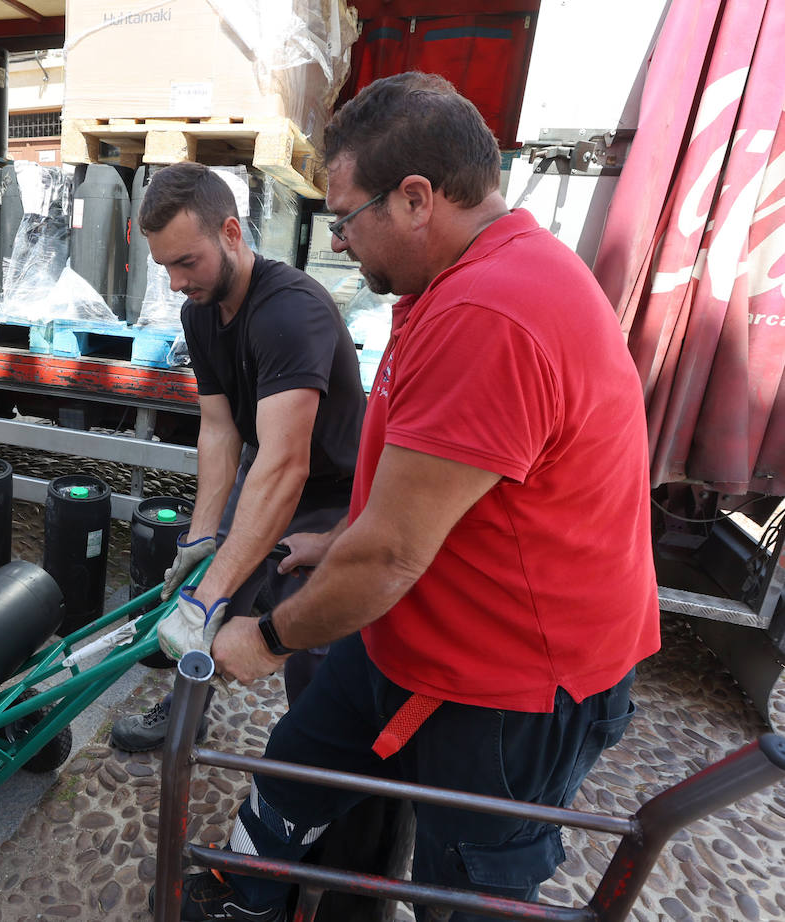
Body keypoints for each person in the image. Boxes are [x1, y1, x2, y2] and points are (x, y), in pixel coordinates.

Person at [166, 73, 661, 922]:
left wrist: (271, 636)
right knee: (296, 769)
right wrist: (343, 537)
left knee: (465, 884)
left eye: (347, 215)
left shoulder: (492, 312)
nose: (341, 239)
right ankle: (244, 890)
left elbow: (394, 554)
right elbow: (426, 493)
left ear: (418, 198)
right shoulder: (448, 285)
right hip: (413, 623)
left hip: (510, 683)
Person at [109, 162, 366, 752]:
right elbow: (221, 431)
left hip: (334, 487)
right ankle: (185, 711)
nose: (174, 281)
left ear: (230, 233)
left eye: (186, 262)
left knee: (309, 629)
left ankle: (313, 755)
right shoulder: (198, 313)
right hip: (267, 466)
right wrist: (203, 542)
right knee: (211, 580)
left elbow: (287, 463)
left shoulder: (288, 311)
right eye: (164, 266)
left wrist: (210, 592)